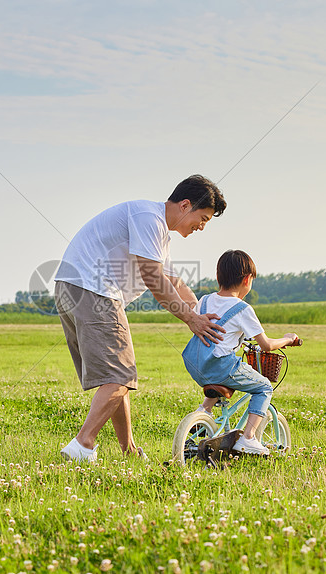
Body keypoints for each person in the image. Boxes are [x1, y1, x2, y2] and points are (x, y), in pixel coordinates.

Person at [55, 175, 227, 462]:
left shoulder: (156, 231)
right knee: (121, 375)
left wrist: (202, 314)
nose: (202, 226)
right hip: (94, 289)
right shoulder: (150, 218)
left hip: (75, 287)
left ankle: (130, 451)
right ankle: (82, 445)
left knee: (116, 376)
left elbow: (174, 282)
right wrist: (190, 320)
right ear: (185, 205)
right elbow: (153, 277)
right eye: (203, 218)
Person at [182, 249, 299, 454]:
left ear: (219, 277)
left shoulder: (205, 300)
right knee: (263, 387)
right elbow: (266, 345)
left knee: (223, 376)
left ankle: (203, 413)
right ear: (247, 279)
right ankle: (248, 438)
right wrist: (289, 339)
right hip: (220, 366)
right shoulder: (243, 308)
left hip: (196, 364)